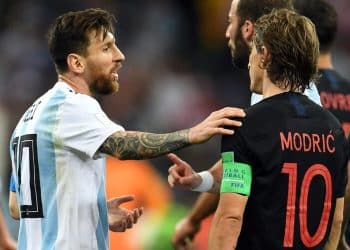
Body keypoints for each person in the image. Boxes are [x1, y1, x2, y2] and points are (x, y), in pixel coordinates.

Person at [8, 8, 245, 250]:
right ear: (76, 63)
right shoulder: (74, 105)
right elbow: (122, 145)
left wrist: (94, 212)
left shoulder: (27, 120)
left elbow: (17, 206)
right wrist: (192, 134)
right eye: (106, 48)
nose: (119, 56)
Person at [170, 8, 348, 249]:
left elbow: (230, 216)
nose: (251, 61)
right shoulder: (334, 130)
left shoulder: (247, 124)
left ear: (264, 54)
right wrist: (199, 180)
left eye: (254, 50)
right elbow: (335, 221)